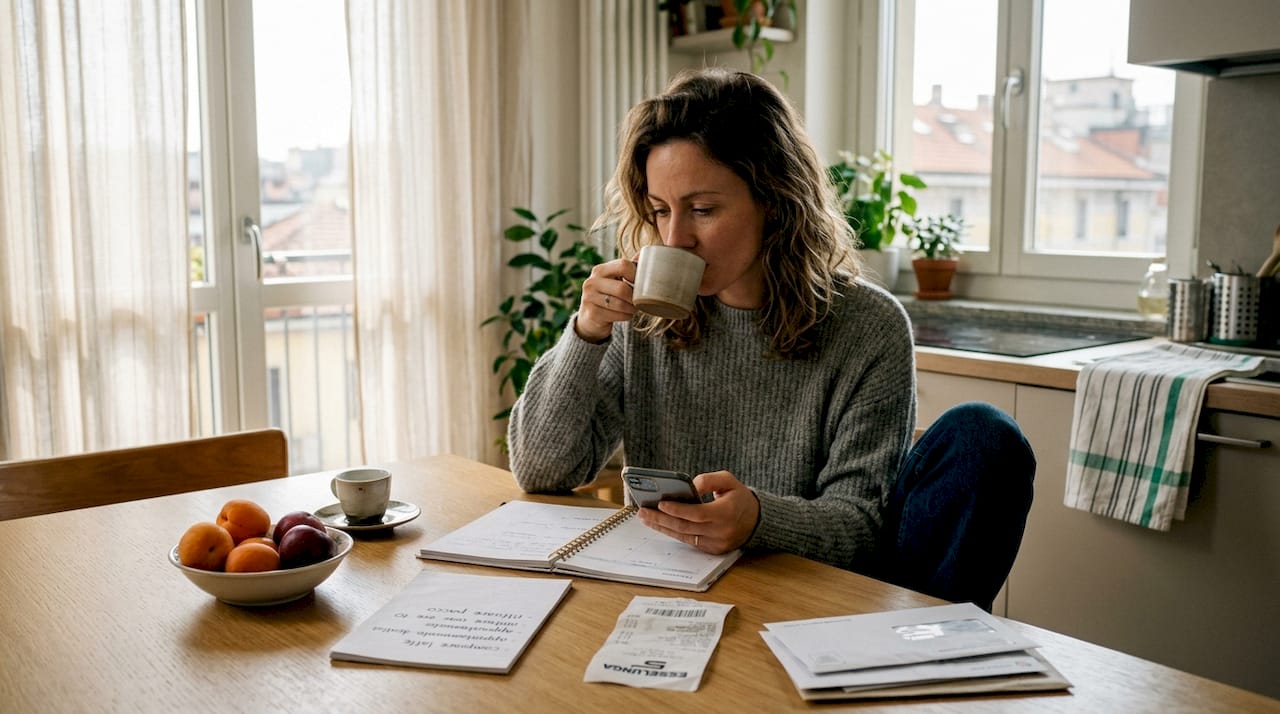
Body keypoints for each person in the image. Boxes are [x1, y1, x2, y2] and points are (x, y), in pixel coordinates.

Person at [507, 67, 1033, 611]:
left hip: (812, 592)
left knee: (984, 434)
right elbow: (542, 471)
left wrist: (758, 518)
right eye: (661, 211)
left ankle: (928, 658)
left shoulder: (868, 327)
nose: (674, 238)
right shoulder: (646, 318)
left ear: (776, 202)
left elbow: (860, 526)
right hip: (673, 590)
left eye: (703, 210)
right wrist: (586, 332)